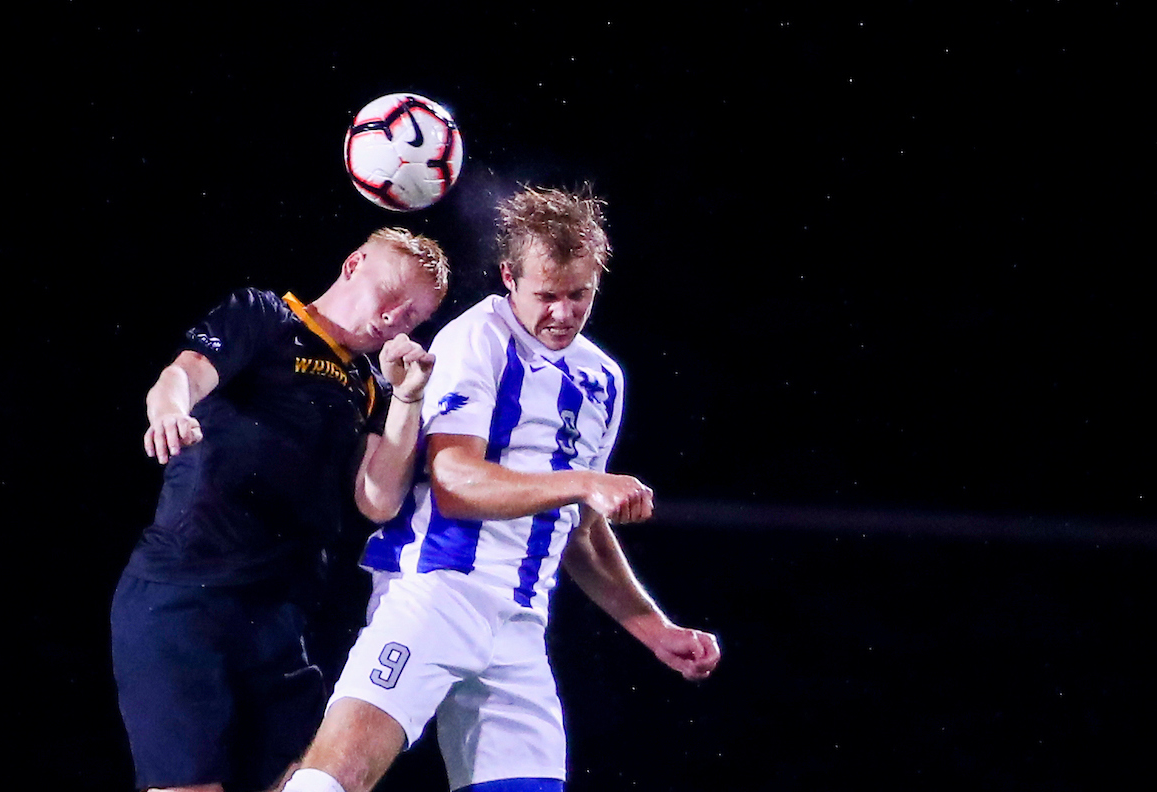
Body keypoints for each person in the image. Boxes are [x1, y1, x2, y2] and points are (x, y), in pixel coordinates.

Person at [282, 187, 722, 792]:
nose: (563, 313)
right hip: (435, 595)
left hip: (520, 626)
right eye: (546, 295)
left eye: (578, 295)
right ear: (510, 277)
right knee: (334, 780)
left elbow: (581, 530)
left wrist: (654, 628)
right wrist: (585, 482)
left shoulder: (602, 379)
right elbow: (455, 481)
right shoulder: (477, 338)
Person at [111, 227, 450, 792]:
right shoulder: (265, 315)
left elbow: (379, 499)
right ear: (353, 263)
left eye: (412, 316)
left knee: (308, 782)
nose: (394, 319)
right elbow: (182, 375)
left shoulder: (367, 386)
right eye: (390, 295)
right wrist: (170, 411)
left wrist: (408, 398)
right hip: (182, 598)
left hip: (279, 617)